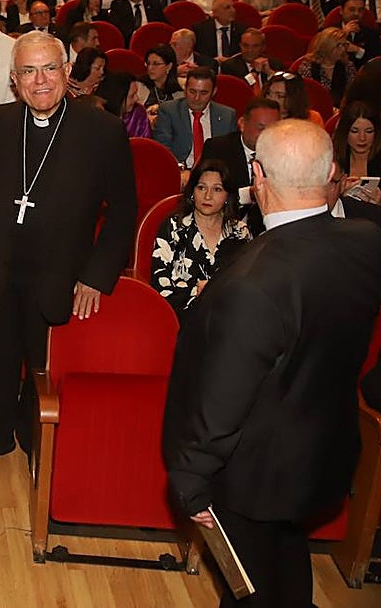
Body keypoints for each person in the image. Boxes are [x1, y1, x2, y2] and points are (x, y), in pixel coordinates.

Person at [163, 119, 381, 608]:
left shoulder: (250, 281)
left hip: (253, 475)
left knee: (250, 590)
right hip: (324, 454)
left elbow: (221, 398)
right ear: (330, 172)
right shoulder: (367, 241)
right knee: (288, 561)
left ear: (256, 177)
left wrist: (191, 480)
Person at [0, 31, 136, 477]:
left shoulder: (102, 131)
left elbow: (124, 213)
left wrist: (96, 276)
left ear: (66, 73)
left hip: (62, 276)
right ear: (14, 80)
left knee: (43, 369)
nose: (40, 81)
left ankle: (36, 436)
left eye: (49, 68)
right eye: (29, 71)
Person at [150, 159, 252, 313]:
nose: (208, 196)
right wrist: (198, 293)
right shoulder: (174, 227)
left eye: (217, 189)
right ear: (192, 192)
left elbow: (250, 284)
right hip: (183, 317)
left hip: (229, 318)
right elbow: (159, 287)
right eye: (201, 188)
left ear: (227, 196)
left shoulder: (240, 232)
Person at [153, 66, 237, 169]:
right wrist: (179, 170)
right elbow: (163, 149)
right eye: (192, 92)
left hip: (214, 173)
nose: (197, 98)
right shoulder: (169, 111)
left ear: (214, 92)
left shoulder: (227, 115)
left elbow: (231, 155)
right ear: (185, 89)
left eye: (203, 93)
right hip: (181, 170)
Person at [296, 27, 356, 107]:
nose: (343, 49)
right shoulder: (307, 66)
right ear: (326, 46)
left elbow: (352, 95)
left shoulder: (348, 66)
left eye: (344, 45)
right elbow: (304, 95)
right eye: (338, 46)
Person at [333, 100, 381, 194]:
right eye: (355, 131)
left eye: (369, 131)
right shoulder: (334, 159)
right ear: (345, 133)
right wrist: (339, 197)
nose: (362, 138)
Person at [95, 69, 151, 138]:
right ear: (118, 98)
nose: (137, 98)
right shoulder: (99, 115)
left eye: (136, 93)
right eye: (132, 96)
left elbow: (145, 144)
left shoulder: (139, 113)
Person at [142, 44, 184, 109]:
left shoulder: (181, 89)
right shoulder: (140, 87)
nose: (150, 68)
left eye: (156, 64)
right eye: (148, 63)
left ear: (169, 66)